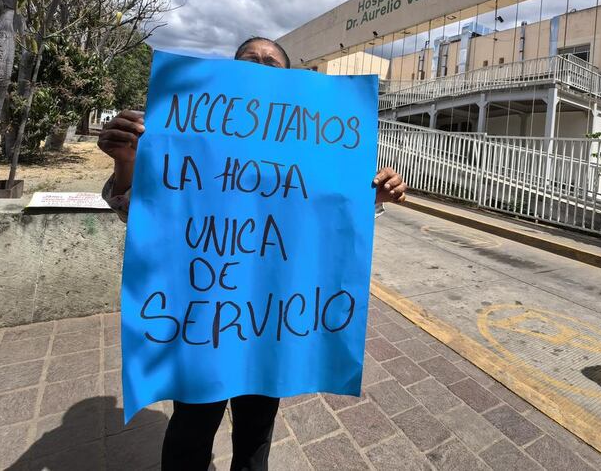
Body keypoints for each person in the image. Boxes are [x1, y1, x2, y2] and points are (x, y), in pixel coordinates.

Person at [98, 36, 407, 471]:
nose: (261, 66)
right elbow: (146, 213)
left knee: (256, 435)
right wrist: (127, 163)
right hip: (202, 317)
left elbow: (326, 220)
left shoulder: (310, 145)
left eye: (272, 63)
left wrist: (375, 194)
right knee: (191, 428)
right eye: (250, 59)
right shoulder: (191, 132)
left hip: (269, 321)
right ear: (232, 69)